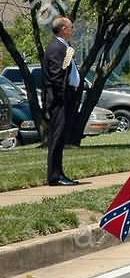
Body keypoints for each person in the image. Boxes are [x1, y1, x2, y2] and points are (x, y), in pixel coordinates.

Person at [42, 16, 84, 186]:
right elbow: (55, 75)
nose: (73, 29)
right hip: (59, 99)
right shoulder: (55, 48)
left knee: (61, 137)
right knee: (57, 137)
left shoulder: (65, 47)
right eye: (71, 27)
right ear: (63, 29)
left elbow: (66, 71)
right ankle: (54, 176)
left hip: (66, 97)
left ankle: (59, 173)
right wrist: (63, 95)